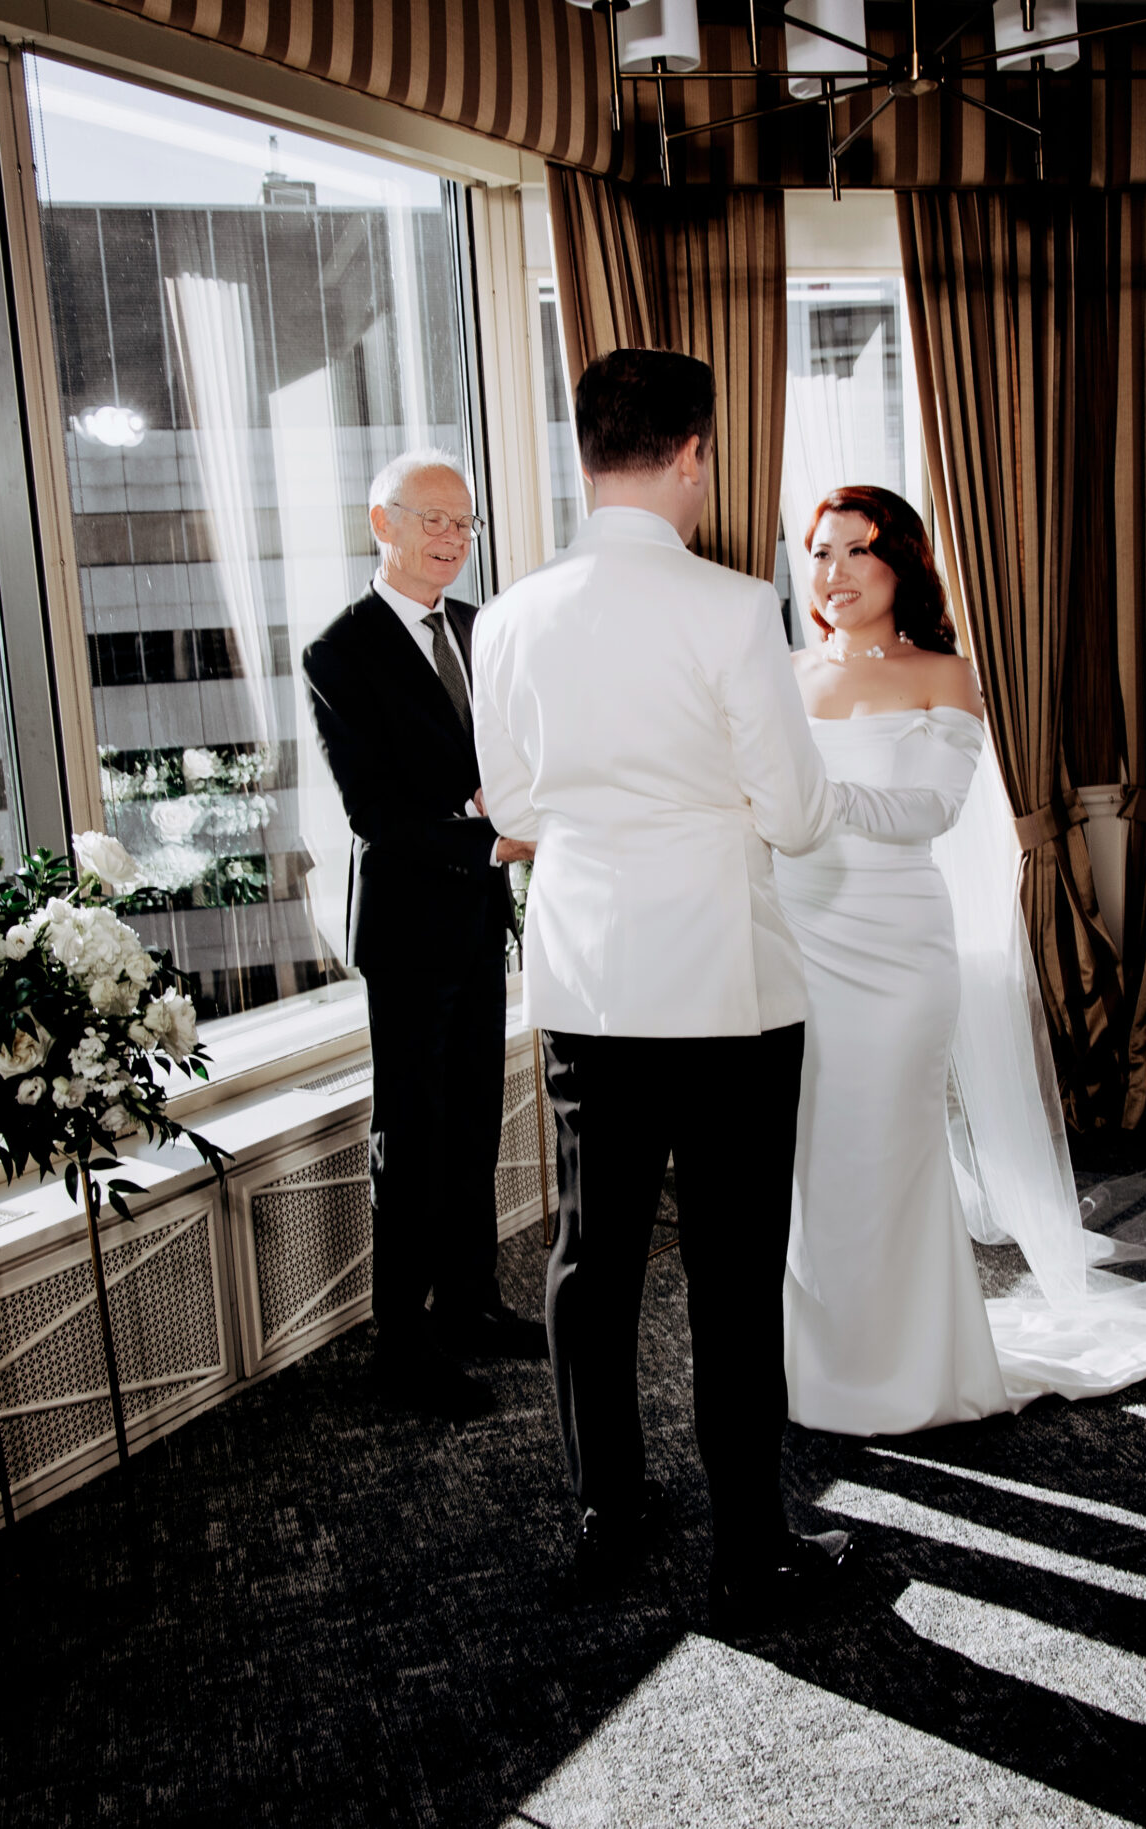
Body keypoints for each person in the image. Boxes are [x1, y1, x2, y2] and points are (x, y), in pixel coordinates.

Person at [470, 349, 878, 1625]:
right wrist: (726, 808)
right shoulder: (732, 606)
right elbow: (799, 816)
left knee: (590, 1255)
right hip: (726, 987)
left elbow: (514, 807)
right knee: (732, 1269)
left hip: (587, 981)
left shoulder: (506, 616)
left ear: (585, 449)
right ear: (695, 451)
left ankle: (608, 1504)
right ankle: (750, 1546)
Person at [776, 487, 1146, 1435]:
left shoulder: (947, 674)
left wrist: (808, 798)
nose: (834, 573)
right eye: (820, 553)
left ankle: (910, 1362)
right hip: (797, 941)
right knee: (812, 1155)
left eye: (856, 551)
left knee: (888, 1145)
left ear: (900, 565)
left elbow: (929, 811)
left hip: (897, 951)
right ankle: (823, 1358)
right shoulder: (784, 675)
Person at [302, 451, 542, 1422]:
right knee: (411, 1142)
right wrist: (490, 835)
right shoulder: (339, 650)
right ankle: (403, 1343)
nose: (451, 539)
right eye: (432, 519)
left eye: (463, 523)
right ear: (383, 523)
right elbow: (374, 812)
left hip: (480, 915)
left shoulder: (484, 628)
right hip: (407, 930)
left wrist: (513, 805)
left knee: (477, 1119)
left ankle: (471, 1306)